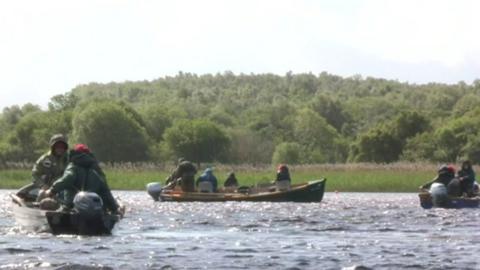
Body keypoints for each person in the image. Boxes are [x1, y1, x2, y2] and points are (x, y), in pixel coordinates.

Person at [45, 144, 120, 214]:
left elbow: (67, 179)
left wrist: (52, 190)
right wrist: (114, 209)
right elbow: (105, 191)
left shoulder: (73, 166)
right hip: (96, 210)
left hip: (71, 207)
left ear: (75, 153)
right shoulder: (96, 168)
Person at [17, 134, 69, 199]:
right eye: (57, 146)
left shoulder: (69, 158)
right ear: (52, 147)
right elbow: (35, 174)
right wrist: (42, 185)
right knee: (21, 194)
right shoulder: (45, 159)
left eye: (62, 146)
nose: (60, 149)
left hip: (62, 187)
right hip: (46, 186)